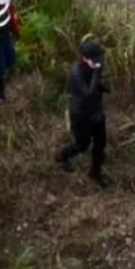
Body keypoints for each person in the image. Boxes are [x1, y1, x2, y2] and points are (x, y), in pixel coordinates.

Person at [56, 40, 111, 188]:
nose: (99, 63)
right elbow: (88, 93)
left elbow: (95, 86)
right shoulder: (76, 72)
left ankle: (95, 172)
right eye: (95, 60)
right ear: (85, 58)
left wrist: (103, 86)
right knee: (82, 144)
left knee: (100, 143)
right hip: (80, 114)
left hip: (95, 111)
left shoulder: (94, 64)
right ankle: (63, 155)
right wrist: (97, 74)